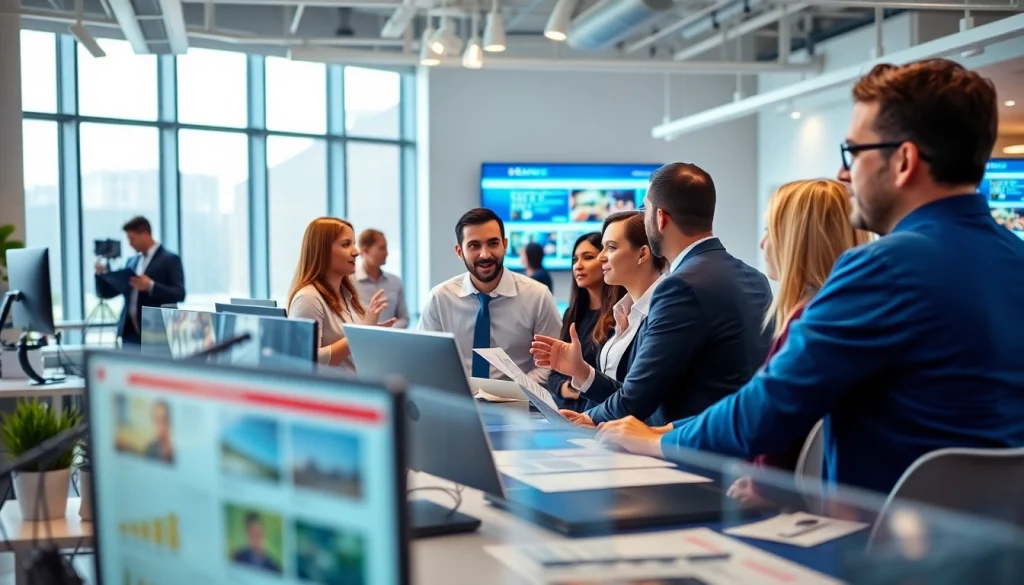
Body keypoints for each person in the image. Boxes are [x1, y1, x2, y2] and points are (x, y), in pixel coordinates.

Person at [595, 59, 1024, 495]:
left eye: (853, 153)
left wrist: (658, 438)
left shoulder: (882, 268)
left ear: (904, 162)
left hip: (874, 548)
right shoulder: (1015, 260)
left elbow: (767, 409)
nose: (843, 173)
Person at [532, 163, 773, 427]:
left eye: (645, 209)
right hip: (742, 441)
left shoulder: (679, 287)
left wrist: (586, 418)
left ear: (659, 218)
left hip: (686, 452)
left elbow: (637, 398)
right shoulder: (755, 278)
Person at [725, 179, 872, 503]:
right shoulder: (846, 315)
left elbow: (775, 423)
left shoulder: (807, 323)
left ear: (797, 241)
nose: (762, 244)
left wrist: (762, 487)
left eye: (770, 231)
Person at [419, 208, 562, 384]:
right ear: (459, 252)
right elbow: (427, 363)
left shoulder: (538, 297)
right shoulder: (440, 299)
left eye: (493, 243)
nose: (485, 254)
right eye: (474, 246)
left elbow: (552, 363)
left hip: (520, 404)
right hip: (458, 404)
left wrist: (512, 391)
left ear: (505, 245)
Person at [287, 217, 395, 370]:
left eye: (354, 244)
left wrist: (371, 333)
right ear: (322, 250)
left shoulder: (346, 295)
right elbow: (304, 359)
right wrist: (360, 333)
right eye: (346, 244)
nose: (356, 252)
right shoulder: (308, 298)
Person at [546, 232, 627, 411]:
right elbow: (553, 376)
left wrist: (581, 382)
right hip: (566, 413)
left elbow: (615, 378)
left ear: (606, 261)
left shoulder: (620, 314)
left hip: (598, 415)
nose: (578, 266)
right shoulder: (573, 314)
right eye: (575, 260)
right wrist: (569, 389)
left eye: (588, 257)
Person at [94, 216, 185, 346]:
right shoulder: (132, 262)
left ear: (145, 234)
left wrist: (151, 286)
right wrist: (100, 274)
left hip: (156, 332)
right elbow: (106, 293)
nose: (130, 243)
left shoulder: (170, 259)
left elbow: (179, 293)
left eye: (132, 238)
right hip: (130, 333)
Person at [354, 229, 410, 328]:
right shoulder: (349, 282)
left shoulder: (395, 282)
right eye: (382, 248)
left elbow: (404, 318)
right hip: (360, 340)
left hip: (390, 340)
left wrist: (386, 331)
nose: (387, 253)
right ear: (366, 251)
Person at [143, 399, 174, 464]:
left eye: (165, 420)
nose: (161, 427)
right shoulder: (150, 449)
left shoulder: (177, 452)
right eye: (157, 420)